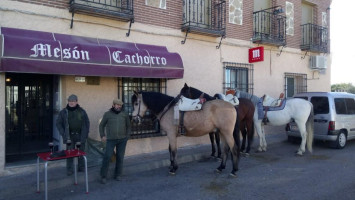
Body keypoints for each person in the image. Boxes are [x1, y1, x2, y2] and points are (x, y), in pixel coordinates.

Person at [56, 94, 90, 176]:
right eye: (70, 101)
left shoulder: (82, 111)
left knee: (81, 152)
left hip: (80, 135)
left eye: (73, 101)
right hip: (69, 136)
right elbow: (58, 123)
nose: (71, 103)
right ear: (68, 102)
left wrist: (85, 134)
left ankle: (81, 167)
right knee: (69, 153)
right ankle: (69, 169)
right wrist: (63, 133)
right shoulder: (63, 112)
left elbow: (87, 123)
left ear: (76, 102)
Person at [99, 99, 131, 184]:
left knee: (120, 157)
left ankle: (118, 174)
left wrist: (127, 136)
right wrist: (102, 135)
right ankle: (103, 176)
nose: (119, 106)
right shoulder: (107, 114)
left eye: (120, 105)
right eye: (117, 105)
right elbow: (101, 125)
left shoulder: (124, 114)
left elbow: (128, 126)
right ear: (113, 105)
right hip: (110, 140)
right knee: (107, 156)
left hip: (122, 140)